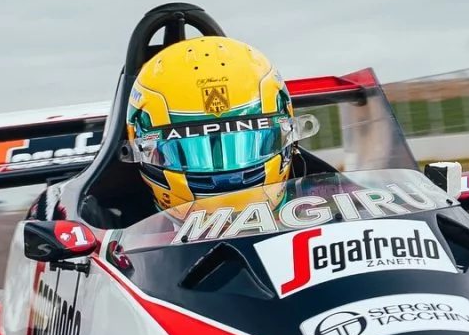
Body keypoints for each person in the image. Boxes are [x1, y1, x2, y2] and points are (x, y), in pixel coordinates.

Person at [120, 35, 324, 218]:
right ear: (138, 147)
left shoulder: (328, 202)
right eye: (186, 152)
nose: (229, 179)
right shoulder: (116, 235)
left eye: (247, 144)